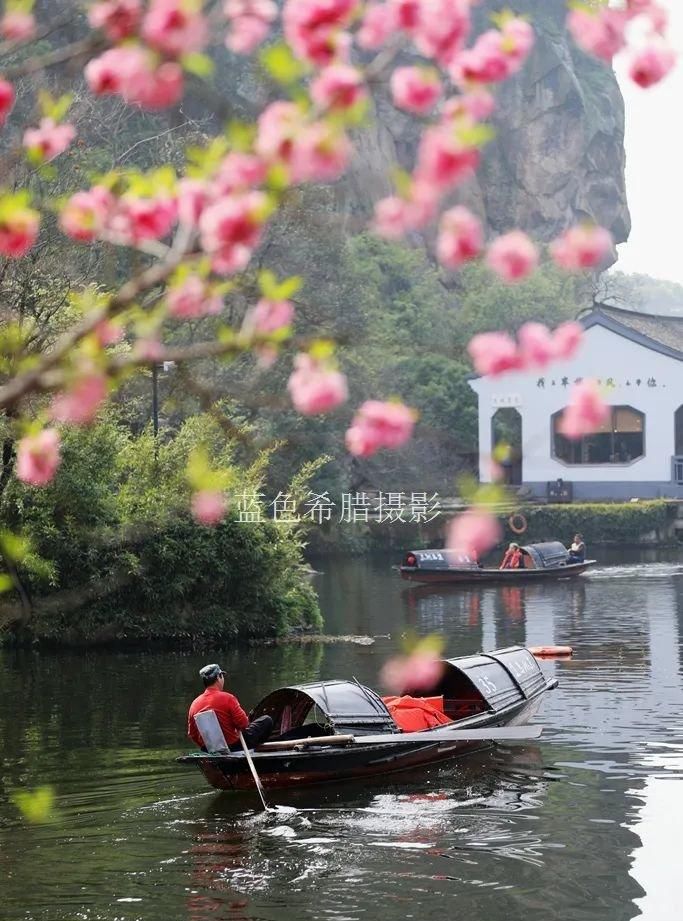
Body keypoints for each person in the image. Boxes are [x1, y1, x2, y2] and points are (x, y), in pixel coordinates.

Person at [187, 663, 273, 751]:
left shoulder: (194, 704)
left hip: (209, 749)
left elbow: (192, 734)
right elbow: (243, 724)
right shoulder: (228, 698)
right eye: (222, 676)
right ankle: (259, 749)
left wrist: (205, 748)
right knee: (266, 720)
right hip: (234, 746)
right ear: (218, 677)